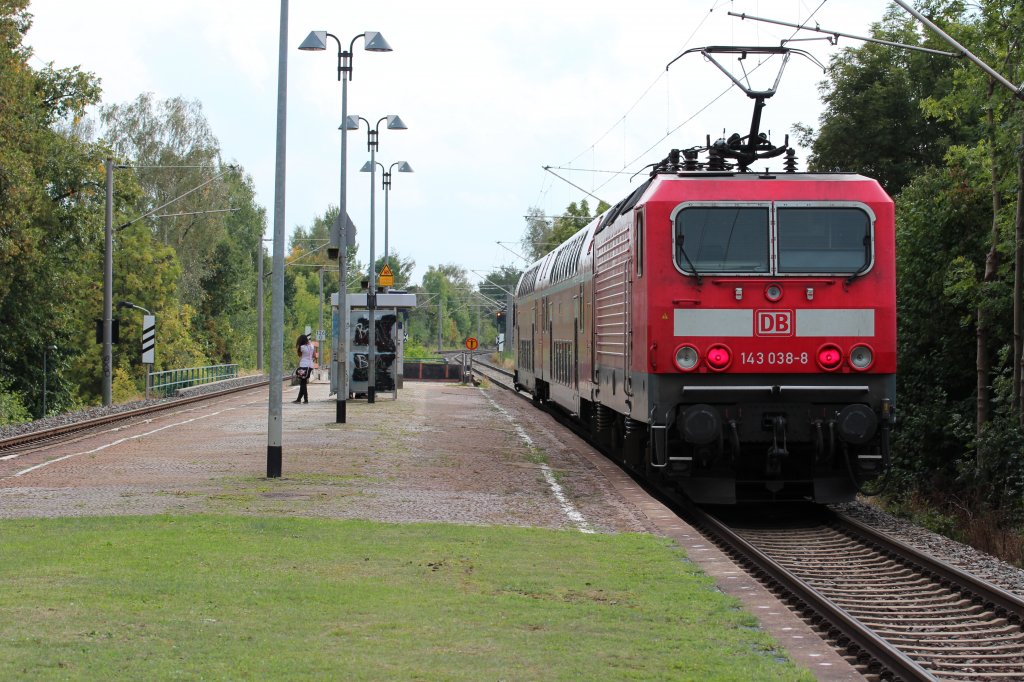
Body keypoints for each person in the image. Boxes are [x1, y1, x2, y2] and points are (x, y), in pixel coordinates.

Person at [293, 334, 316, 404]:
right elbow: (314, 355)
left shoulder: (302, 347)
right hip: (310, 366)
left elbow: (299, 355)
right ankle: (299, 399)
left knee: (303, 383)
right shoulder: (312, 346)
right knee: (303, 382)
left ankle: (306, 399)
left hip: (303, 365)